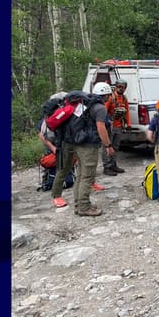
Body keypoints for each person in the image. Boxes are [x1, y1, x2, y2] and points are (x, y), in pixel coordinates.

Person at [61, 82, 115, 217]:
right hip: (88, 146)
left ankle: (79, 204)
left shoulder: (84, 104)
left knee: (80, 175)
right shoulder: (100, 108)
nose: (110, 96)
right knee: (88, 177)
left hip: (77, 144)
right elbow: (101, 127)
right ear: (106, 94)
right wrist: (108, 145)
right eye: (109, 94)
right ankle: (84, 207)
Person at [102, 79, 130, 176]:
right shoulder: (111, 98)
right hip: (110, 126)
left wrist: (128, 124)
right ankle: (107, 167)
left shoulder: (124, 98)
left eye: (123, 87)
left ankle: (113, 164)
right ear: (116, 86)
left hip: (118, 126)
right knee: (107, 147)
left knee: (115, 147)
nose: (121, 89)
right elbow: (104, 111)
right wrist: (106, 124)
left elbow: (127, 111)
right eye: (119, 86)